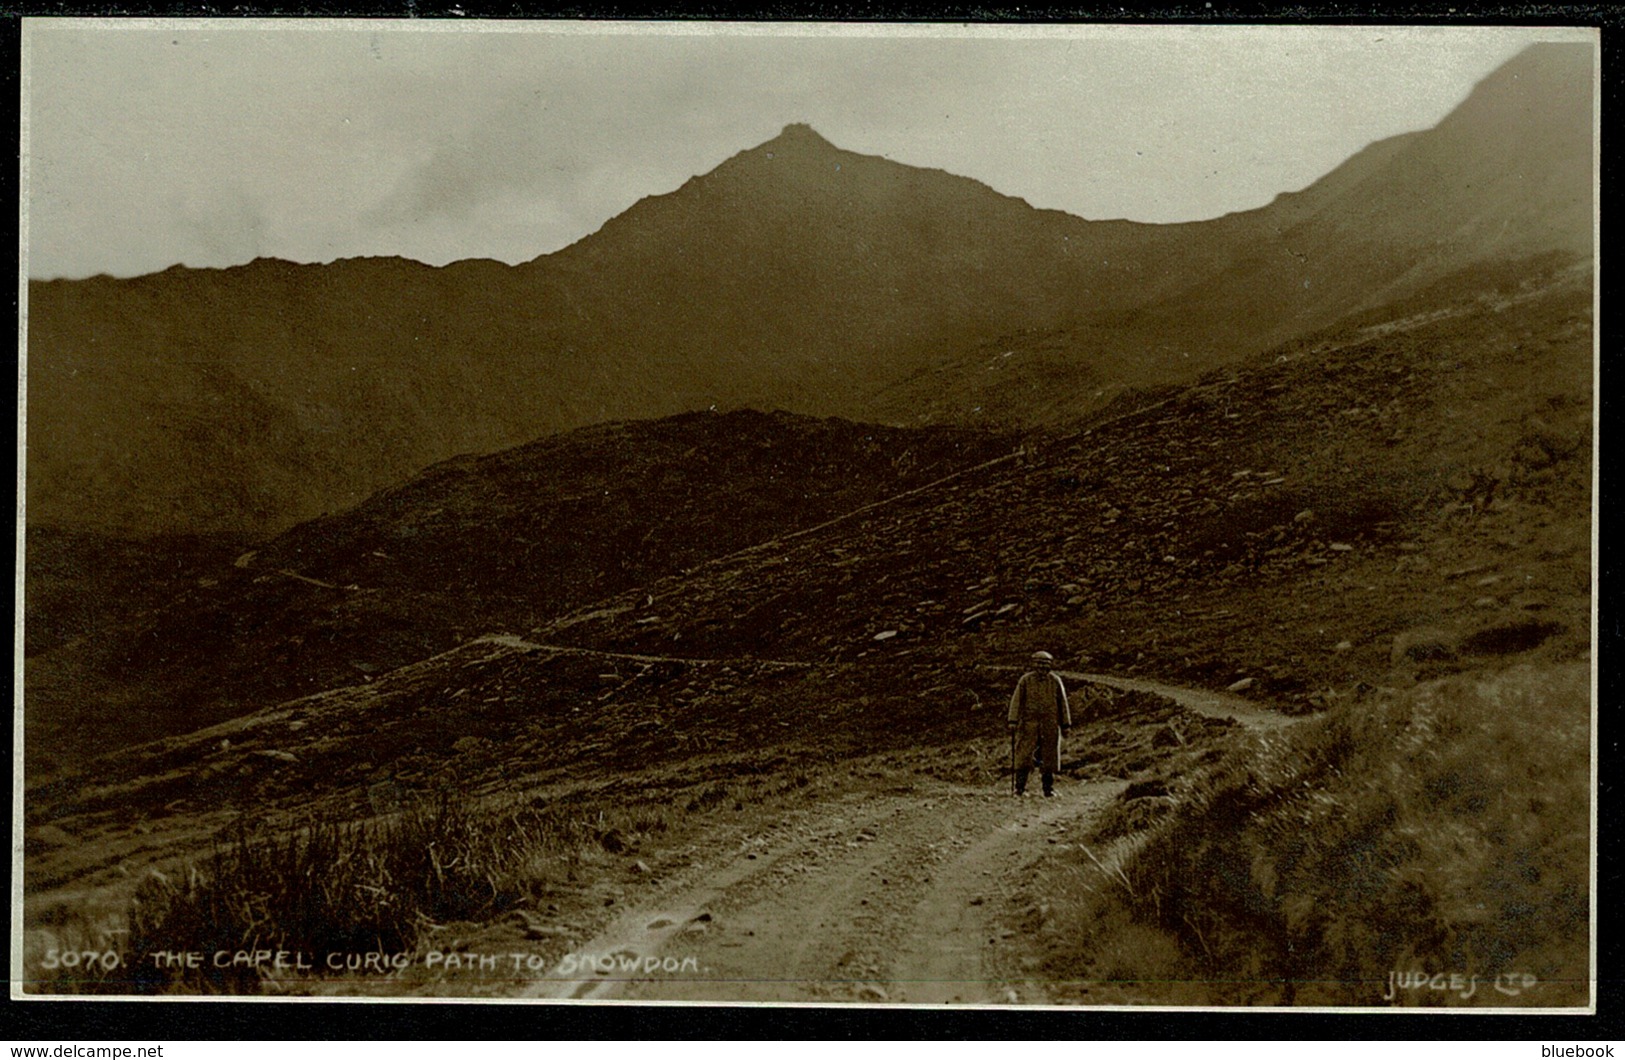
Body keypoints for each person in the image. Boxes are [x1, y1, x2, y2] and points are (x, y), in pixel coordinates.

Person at [1007, 650, 1071, 797]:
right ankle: (1019, 788)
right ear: (1033, 665)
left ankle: (1048, 789)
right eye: (1039, 665)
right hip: (1028, 726)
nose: (1042, 669)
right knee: (1023, 756)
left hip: (1050, 725)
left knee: (1049, 758)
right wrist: (1013, 720)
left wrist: (1066, 724)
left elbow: (1063, 704)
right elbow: (1016, 701)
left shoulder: (1055, 681)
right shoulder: (1025, 681)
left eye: (1045, 666)